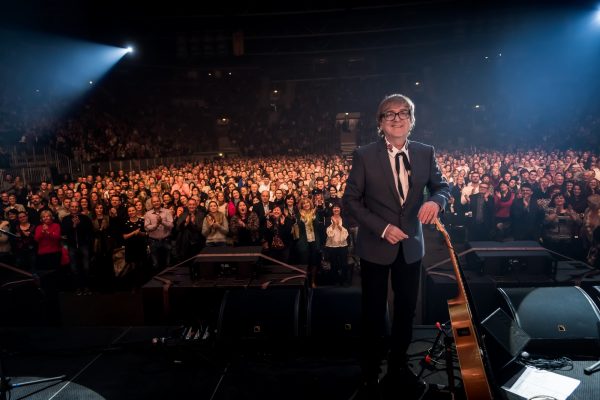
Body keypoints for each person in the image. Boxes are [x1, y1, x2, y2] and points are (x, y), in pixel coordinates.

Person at [343, 94, 449, 399]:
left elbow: (442, 187)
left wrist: (436, 201)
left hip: (411, 247)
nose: (397, 118)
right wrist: (382, 227)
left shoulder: (425, 152)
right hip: (376, 245)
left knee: (406, 311)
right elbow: (350, 201)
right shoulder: (364, 155)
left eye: (404, 113)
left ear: (412, 120)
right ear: (380, 123)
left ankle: (398, 368)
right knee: (374, 313)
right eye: (389, 114)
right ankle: (370, 374)